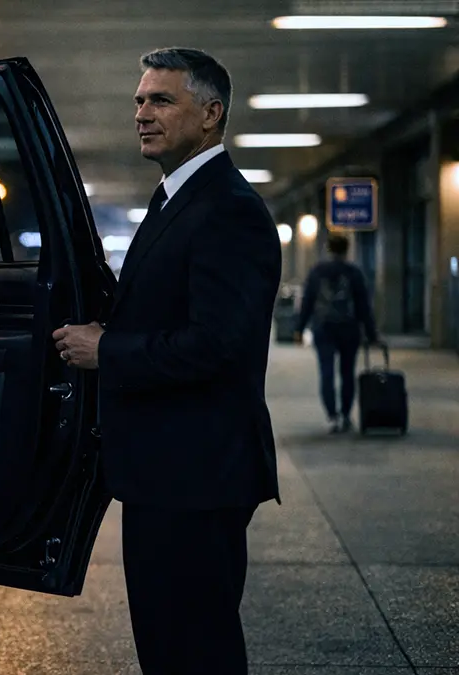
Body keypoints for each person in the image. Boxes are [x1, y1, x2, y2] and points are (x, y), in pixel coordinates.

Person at [53, 48, 281, 674]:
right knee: (168, 643)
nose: (141, 113)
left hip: (197, 473)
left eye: (160, 100)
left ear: (210, 115)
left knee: (194, 647)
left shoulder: (227, 210)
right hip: (169, 470)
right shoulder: (177, 198)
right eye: (138, 100)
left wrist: (107, 350)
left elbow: (217, 345)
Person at [294, 233, 381, 433]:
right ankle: (345, 415)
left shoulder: (317, 271)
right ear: (346, 249)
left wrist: (299, 328)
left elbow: (307, 302)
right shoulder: (354, 272)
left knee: (326, 372)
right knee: (347, 373)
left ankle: (332, 416)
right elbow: (363, 306)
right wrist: (372, 333)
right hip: (349, 330)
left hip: (323, 328)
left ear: (328, 249)